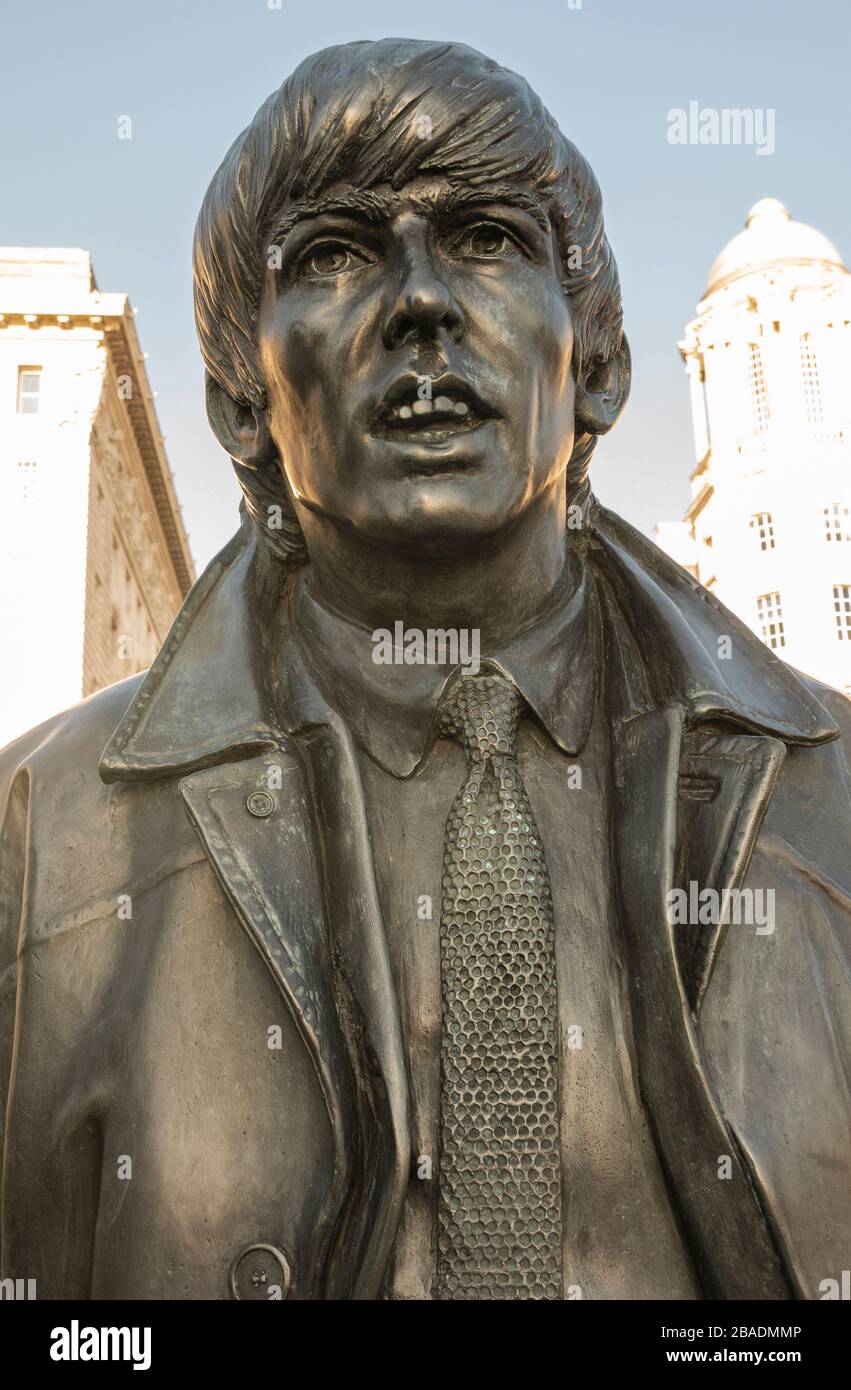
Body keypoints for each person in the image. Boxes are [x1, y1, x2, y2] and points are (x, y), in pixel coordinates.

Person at [1, 39, 848, 1300]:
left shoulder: (825, 804)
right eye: (336, 253)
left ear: (597, 365)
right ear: (243, 402)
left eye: (488, 239)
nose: (419, 304)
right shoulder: (36, 840)